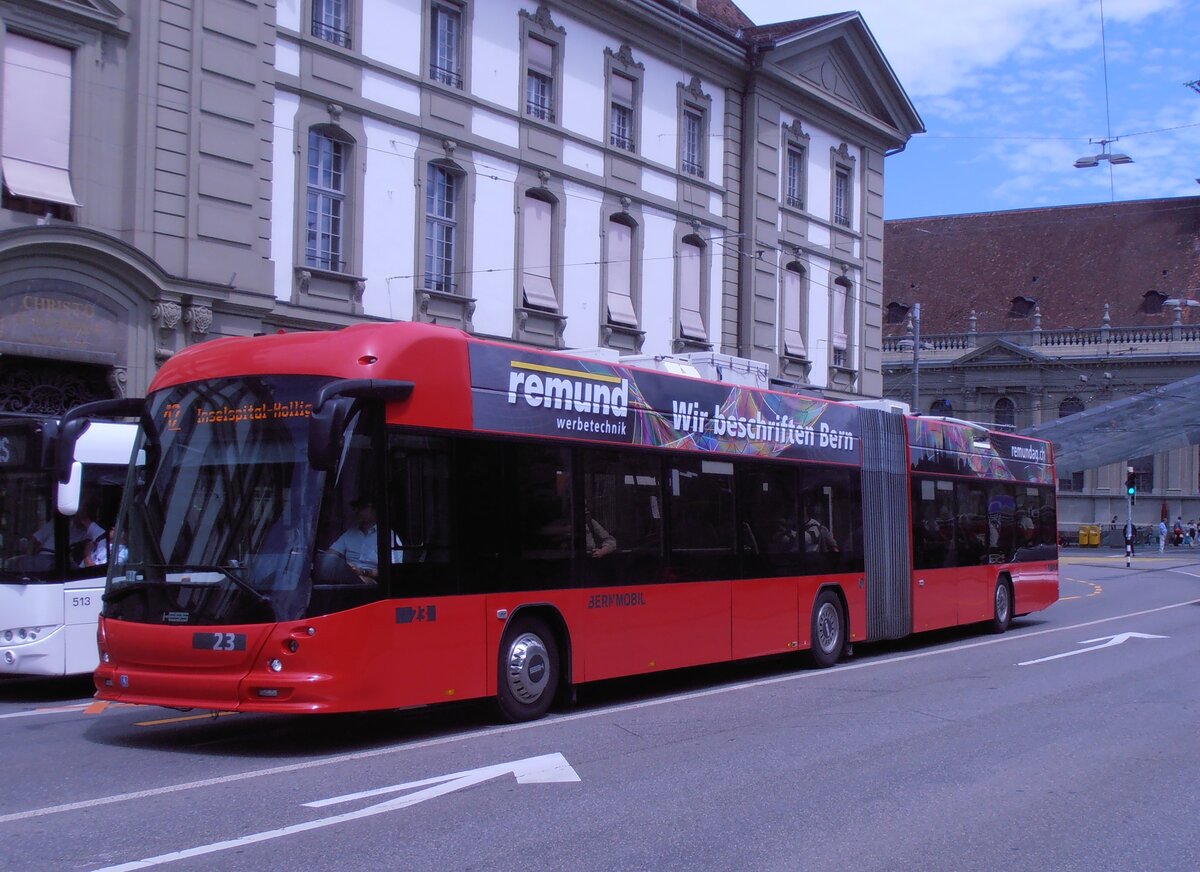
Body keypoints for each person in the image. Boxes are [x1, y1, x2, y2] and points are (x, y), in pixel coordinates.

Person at [328, 497, 394, 580]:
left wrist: (362, 572)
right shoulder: (350, 533)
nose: (356, 511)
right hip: (346, 580)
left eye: (362, 507)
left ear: (375, 510)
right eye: (355, 508)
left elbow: (392, 571)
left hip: (374, 584)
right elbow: (331, 554)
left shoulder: (387, 536)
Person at [30, 505, 105, 568]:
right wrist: (30, 557)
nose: (79, 518)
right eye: (78, 515)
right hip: (44, 560)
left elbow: (100, 536)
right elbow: (35, 539)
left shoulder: (89, 533)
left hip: (67, 568)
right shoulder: (57, 523)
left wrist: (85, 521)